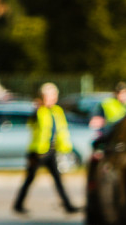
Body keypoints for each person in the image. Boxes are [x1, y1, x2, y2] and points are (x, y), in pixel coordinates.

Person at [13, 83, 79, 214]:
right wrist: (37, 109)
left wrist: (65, 147)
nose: (51, 98)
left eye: (53, 95)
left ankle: (68, 205)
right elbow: (31, 124)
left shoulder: (57, 111)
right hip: (38, 151)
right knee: (29, 179)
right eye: (47, 96)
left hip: (51, 150)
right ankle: (18, 204)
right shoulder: (39, 111)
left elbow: (61, 130)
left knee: (58, 179)